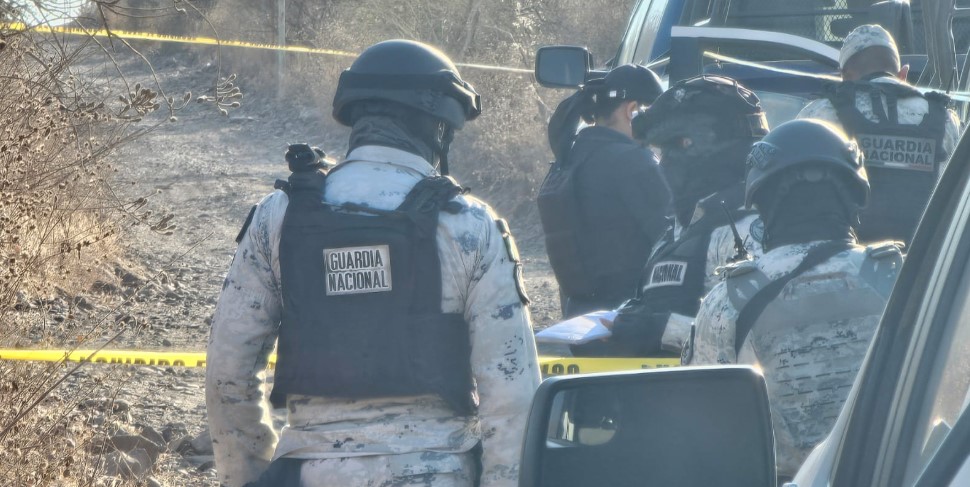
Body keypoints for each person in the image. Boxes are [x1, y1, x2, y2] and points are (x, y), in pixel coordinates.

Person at [205, 39, 541, 487]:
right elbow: (511, 391)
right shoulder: (470, 224)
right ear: (439, 127)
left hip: (309, 471)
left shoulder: (279, 216)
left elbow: (229, 369)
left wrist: (247, 476)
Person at [684, 119, 902, 480]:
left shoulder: (728, 299)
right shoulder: (905, 277)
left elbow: (702, 428)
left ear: (764, 204)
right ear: (853, 196)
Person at [576, 75, 769, 357]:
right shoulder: (683, 226)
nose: (663, 163)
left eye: (670, 149)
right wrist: (625, 320)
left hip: (722, 396)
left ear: (696, 147)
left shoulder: (747, 229)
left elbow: (758, 339)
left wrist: (662, 331)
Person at [797, 24, 962, 243]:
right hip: (926, 265)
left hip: (849, 262)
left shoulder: (820, 114)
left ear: (844, 76)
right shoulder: (945, 118)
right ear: (903, 74)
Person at [538, 64, 670, 319]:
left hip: (579, 319)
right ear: (632, 110)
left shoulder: (570, 157)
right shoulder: (634, 162)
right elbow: (672, 237)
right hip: (629, 323)